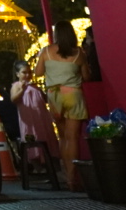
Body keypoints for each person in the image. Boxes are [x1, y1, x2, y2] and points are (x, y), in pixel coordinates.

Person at [34, 21, 91, 190]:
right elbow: (86, 77)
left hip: (55, 96)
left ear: (56, 34)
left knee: (63, 137)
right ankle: (73, 179)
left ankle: (65, 173)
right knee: (73, 138)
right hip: (74, 94)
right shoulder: (79, 53)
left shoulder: (46, 52)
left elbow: (37, 73)